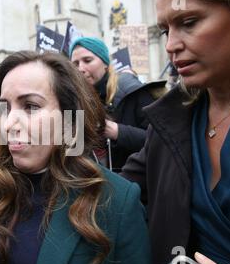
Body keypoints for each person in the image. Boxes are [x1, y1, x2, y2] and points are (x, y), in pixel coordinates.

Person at [0, 51, 152, 264]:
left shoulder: (117, 199)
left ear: (68, 117)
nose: (9, 124)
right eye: (4, 107)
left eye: (30, 106)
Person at [121, 0, 230, 264]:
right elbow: (118, 195)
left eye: (189, 23)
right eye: (166, 30)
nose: (170, 45)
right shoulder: (173, 118)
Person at [69, 37, 161, 171]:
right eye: (75, 64)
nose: (81, 68)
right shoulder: (71, 100)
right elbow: (69, 152)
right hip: (92, 184)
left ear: (105, 63)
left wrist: (117, 131)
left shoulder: (132, 90)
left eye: (88, 60)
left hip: (135, 184)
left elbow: (162, 140)